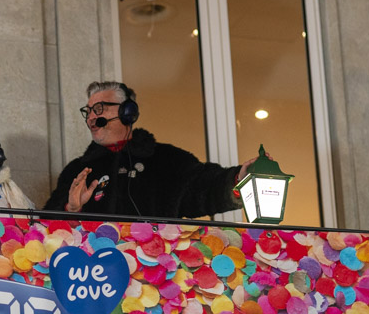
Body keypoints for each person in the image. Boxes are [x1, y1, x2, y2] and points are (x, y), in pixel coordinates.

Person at [45, 81, 256, 218]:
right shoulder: (77, 171)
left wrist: (239, 179)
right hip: (96, 281)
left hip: (155, 279)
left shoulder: (167, 160)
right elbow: (45, 227)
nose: (91, 117)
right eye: (88, 111)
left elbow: (204, 188)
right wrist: (71, 209)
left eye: (99, 109)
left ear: (128, 112)